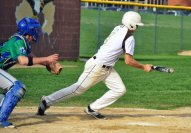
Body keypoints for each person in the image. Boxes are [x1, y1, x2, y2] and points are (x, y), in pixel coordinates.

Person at [37, 11, 153, 119]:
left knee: (120, 89)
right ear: (131, 24)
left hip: (107, 67)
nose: (137, 27)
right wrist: (144, 67)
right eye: (136, 25)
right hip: (97, 66)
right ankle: (46, 101)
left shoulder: (118, 28)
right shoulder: (129, 38)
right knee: (77, 89)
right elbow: (129, 61)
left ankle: (92, 108)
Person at [0, 17, 59, 128]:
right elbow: (23, 60)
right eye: (36, 30)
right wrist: (47, 58)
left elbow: (31, 57)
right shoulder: (18, 41)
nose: (37, 32)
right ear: (30, 31)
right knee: (17, 88)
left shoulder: (22, 41)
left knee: (8, 95)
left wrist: (47, 64)